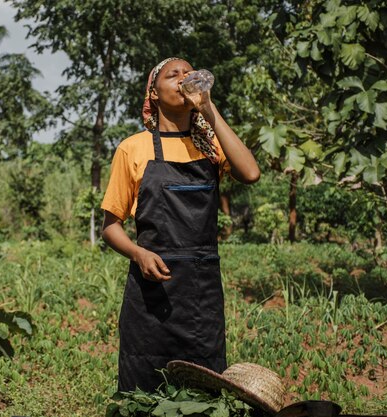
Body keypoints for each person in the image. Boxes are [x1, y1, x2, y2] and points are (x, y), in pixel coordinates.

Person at [100, 57, 261, 393]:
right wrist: (138, 254)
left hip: (201, 290)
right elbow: (111, 227)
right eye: (174, 75)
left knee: (202, 389)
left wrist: (209, 108)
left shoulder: (210, 146)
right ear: (153, 94)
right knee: (144, 385)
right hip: (152, 290)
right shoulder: (133, 149)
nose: (184, 79)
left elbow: (250, 173)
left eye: (189, 75)